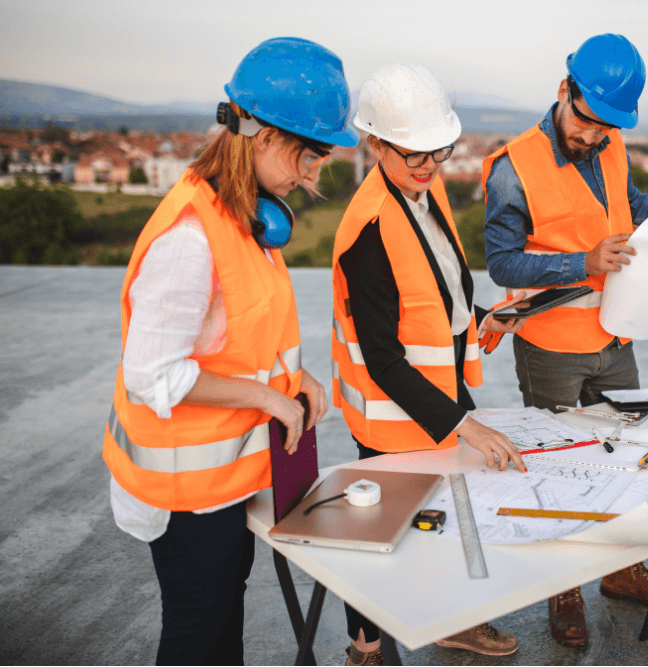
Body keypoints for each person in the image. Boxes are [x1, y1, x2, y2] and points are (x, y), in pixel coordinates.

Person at [102, 37, 357, 664]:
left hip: (230, 482)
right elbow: (151, 374)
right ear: (264, 136)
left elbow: (239, 336)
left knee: (221, 630)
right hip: (187, 500)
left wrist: (296, 380)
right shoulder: (191, 237)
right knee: (200, 637)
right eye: (310, 154)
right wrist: (264, 394)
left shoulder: (244, 218)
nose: (313, 173)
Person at [331, 62, 527, 666]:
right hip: (391, 421)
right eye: (412, 154)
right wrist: (466, 425)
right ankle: (367, 649)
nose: (428, 165)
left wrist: (486, 316)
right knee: (378, 540)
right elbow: (384, 361)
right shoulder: (367, 231)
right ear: (374, 144)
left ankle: (450, 622)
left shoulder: (424, 189)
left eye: (437, 151)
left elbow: (438, 288)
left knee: (445, 520)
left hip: (440, 401)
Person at [481, 34, 648, 647]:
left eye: (607, 128)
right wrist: (583, 261)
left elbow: (627, 202)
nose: (593, 137)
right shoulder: (515, 167)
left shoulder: (611, 146)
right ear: (566, 90)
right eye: (587, 122)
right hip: (551, 346)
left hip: (615, 334)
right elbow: (504, 264)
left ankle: (619, 570)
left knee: (628, 453)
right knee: (559, 472)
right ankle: (563, 588)